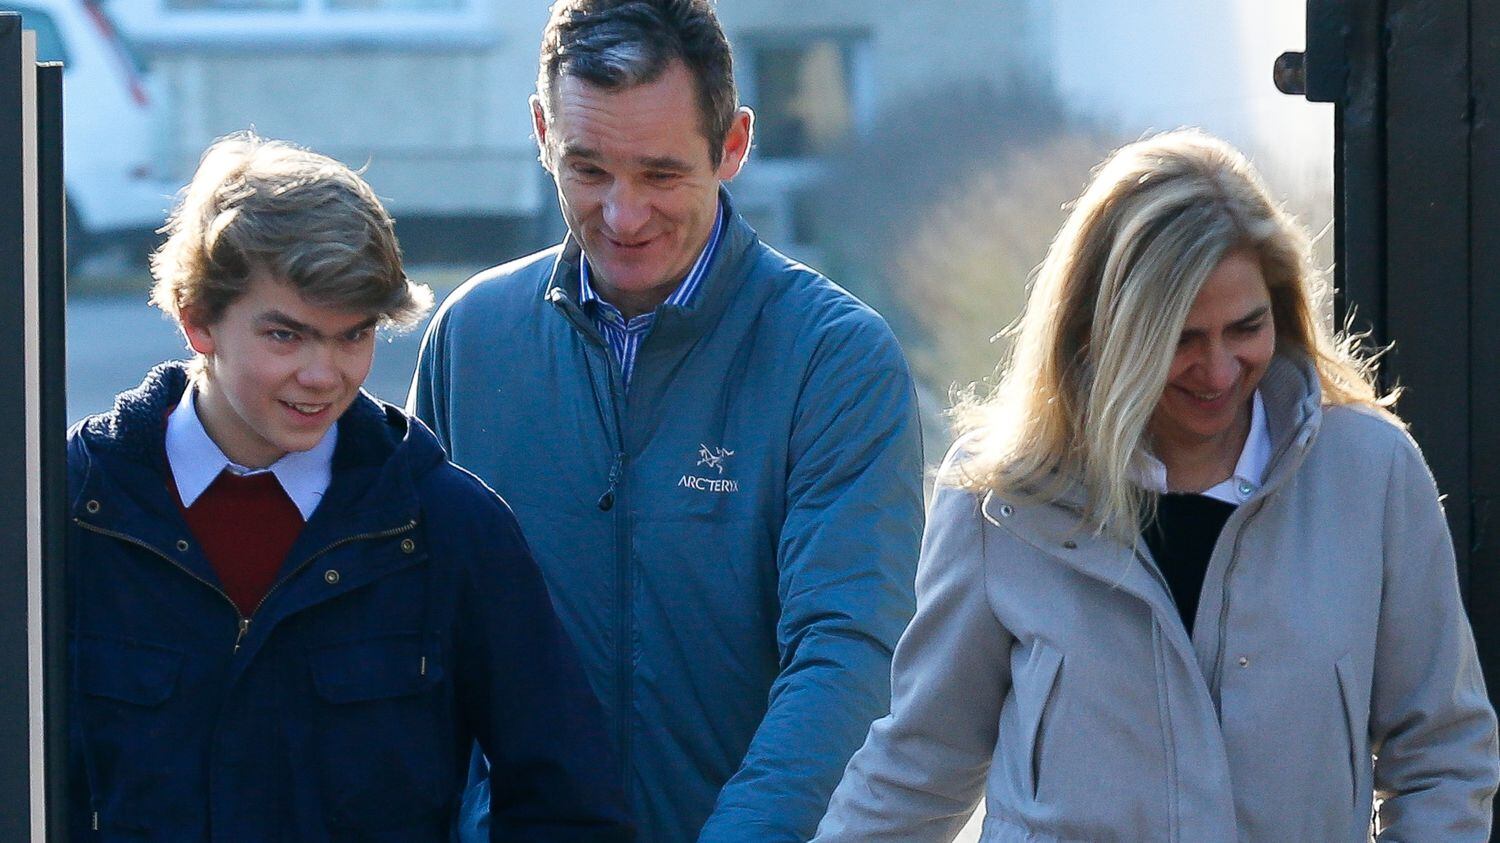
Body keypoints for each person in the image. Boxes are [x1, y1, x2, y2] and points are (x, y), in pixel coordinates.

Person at [813, 130, 1500, 841]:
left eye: (1246, 327)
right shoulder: (1000, 499)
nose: (1220, 369)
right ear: (1102, 331)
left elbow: (1443, 755)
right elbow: (921, 761)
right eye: (1180, 338)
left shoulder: (1374, 475)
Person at [407, 1, 925, 839]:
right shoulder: (473, 339)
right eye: (588, 170)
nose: (622, 215)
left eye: (660, 174)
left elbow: (848, 650)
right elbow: (412, 642)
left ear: (733, 146)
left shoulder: (834, 360)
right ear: (543, 132)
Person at [66, 133, 631, 842]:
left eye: (352, 336)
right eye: (286, 336)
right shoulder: (67, 511)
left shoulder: (451, 528)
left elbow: (569, 804)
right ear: (199, 319)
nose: (324, 374)